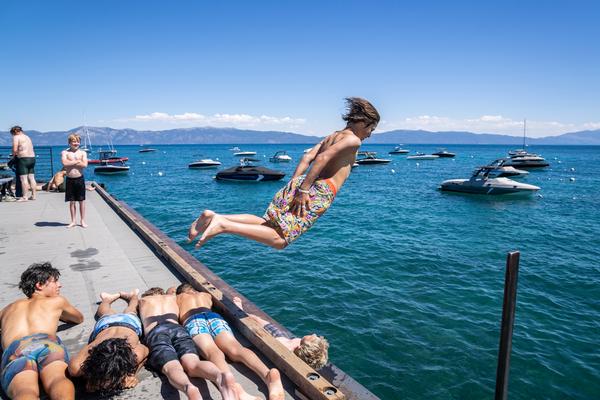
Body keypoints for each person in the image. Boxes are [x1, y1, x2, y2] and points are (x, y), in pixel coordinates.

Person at [188, 97, 380, 249]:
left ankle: (216, 216)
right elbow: (321, 159)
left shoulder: (332, 136)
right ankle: (223, 225)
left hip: (302, 182)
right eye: (371, 128)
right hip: (320, 190)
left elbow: (308, 158)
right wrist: (303, 191)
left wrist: (295, 184)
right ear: (363, 121)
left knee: (268, 223)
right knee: (280, 241)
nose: (370, 134)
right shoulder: (353, 140)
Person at [175, 283, 284, 400]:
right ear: (193, 290)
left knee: (213, 352)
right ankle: (267, 374)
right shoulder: (205, 295)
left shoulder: (178, 298)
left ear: (181, 293)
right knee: (236, 348)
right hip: (214, 317)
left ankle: (234, 388)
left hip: (193, 320)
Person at [0, 262, 84, 399]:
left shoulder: (8, 309)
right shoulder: (57, 301)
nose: (59, 285)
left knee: (24, 391)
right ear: (39, 285)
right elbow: (78, 318)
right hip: (46, 343)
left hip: (17, 348)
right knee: (57, 379)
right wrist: (58, 314)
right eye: (55, 281)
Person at [138, 287, 239, 400]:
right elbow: (173, 291)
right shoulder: (172, 298)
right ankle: (219, 375)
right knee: (193, 363)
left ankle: (188, 387)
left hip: (156, 332)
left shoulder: (143, 301)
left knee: (172, 367)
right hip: (178, 329)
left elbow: (132, 306)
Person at [68, 289, 148, 394]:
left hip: (127, 324)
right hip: (109, 325)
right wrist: (89, 379)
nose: (105, 383)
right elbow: (146, 350)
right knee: (117, 311)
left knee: (125, 311)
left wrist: (132, 374)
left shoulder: (134, 355)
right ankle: (114, 298)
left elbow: (146, 352)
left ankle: (128, 297)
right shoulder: (77, 366)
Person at [233, 297, 329, 370]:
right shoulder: (300, 349)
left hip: (278, 338)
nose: (314, 334)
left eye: (312, 338)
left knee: (253, 320)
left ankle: (240, 310)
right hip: (285, 339)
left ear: (302, 348)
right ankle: (243, 312)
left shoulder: (286, 348)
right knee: (258, 319)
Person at [61, 134, 88, 228]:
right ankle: (73, 221)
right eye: (74, 141)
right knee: (72, 201)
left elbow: (85, 165)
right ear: (69, 143)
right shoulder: (65, 152)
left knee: (81, 201)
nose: (76, 143)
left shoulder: (83, 153)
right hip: (70, 179)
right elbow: (64, 163)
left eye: (77, 141)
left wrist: (70, 163)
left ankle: (82, 220)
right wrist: (77, 162)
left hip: (79, 179)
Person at [10, 126, 36, 202]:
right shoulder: (27, 137)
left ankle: (25, 197)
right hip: (32, 158)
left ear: (15, 132)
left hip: (23, 159)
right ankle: (33, 195)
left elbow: (15, 149)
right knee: (31, 178)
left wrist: (13, 156)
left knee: (23, 179)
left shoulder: (16, 137)